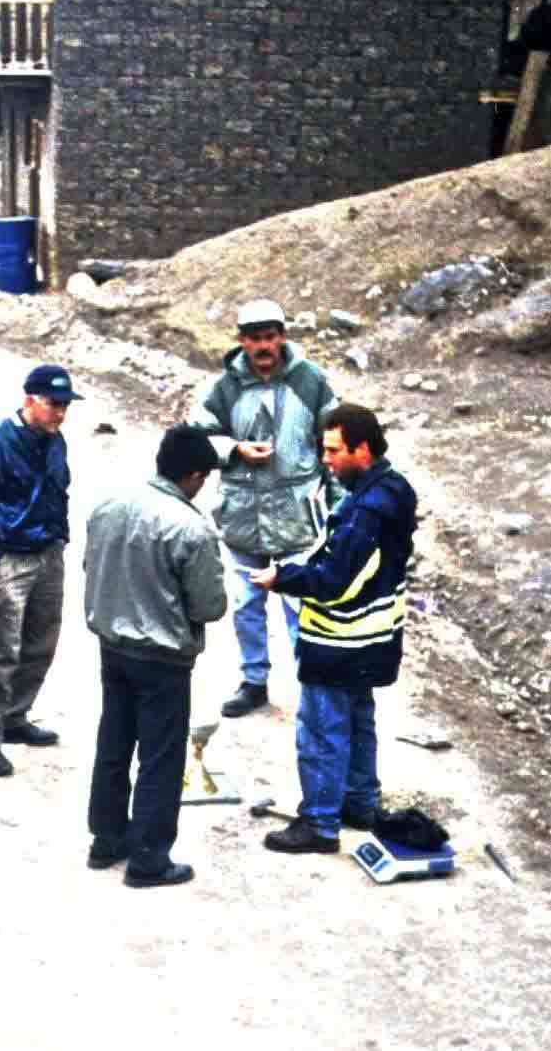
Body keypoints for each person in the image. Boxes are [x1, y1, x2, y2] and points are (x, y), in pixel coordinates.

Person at [250, 404, 417, 854]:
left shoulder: (366, 511)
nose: (326, 459)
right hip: (375, 638)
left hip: (341, 639)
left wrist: (282, 578)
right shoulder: (394, 489)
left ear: (362, 449)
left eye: (334, 450)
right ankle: (359, 804)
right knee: (359, 720)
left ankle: (320, 824)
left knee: (323, 729)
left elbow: (333, 579)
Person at [82, 426, 228, 888]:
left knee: (114, 742)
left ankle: (106, 840)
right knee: (161, 758)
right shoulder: (191, 528)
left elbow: (92, 567)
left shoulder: (108, 506)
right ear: (192, 475)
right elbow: (210, 606)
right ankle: (149, 858)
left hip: (112, 646)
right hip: (163, 659)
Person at [190, 298, 339, 719]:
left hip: (297, 516)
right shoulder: (223, 388)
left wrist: (340, 504)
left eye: (270, 336)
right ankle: (253, 681)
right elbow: (198, 439)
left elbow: (333, 442)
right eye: (255, 338)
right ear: (242, 341)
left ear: (282, 337)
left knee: (302, 606)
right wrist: (234, 450)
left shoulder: (312, 382)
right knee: (245, 605)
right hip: (242, 516)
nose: (263, 346)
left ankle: (312, 687)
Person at [0, 363, 81, 777]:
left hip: (48, 552)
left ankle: (15, 717)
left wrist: (60, 539)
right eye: (53, 404)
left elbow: (58, 490)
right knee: (2, 650)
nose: (60, 413)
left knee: (41, 641)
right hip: (11, 557)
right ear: (30, 400)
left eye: (65, 406)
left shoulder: (55, 440)